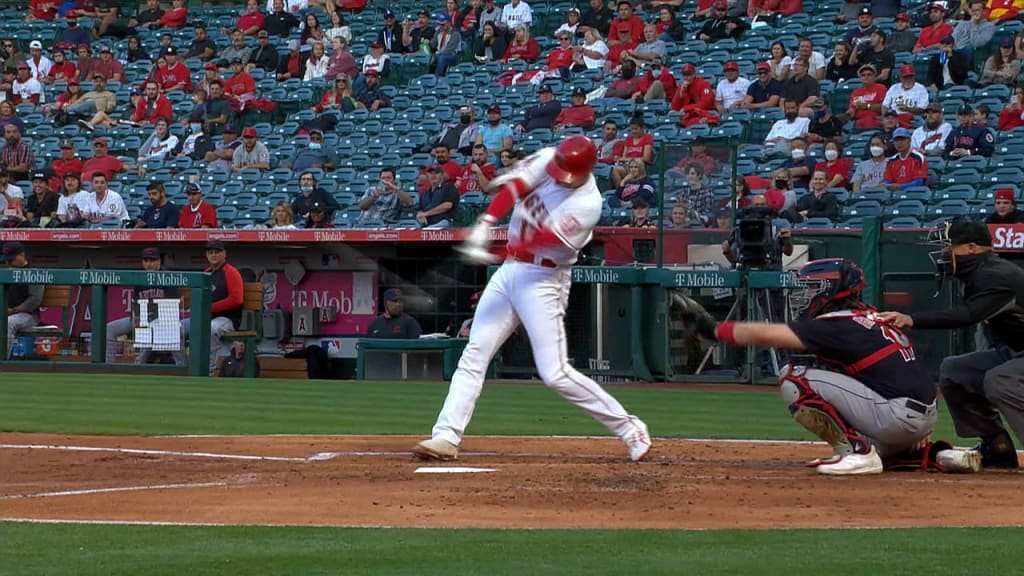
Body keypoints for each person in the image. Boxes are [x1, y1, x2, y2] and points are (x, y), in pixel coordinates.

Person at [413, 135, 652, 463]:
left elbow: (543, 240)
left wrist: (494, 251)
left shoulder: (587, 204)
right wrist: (486, 222)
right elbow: (514, 188)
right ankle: (446, 436)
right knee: (475, 352)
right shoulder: (550, 157)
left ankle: (630, 427)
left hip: (544, 279)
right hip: (512, 270)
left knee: (554, 372)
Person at [677, 258, 980, 475]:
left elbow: (768, 334)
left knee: (794, 378)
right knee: (837, 382)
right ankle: (937, 455)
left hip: (897, 415)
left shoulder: (835, 323)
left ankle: (858, 453)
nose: (805, 294)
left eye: (813, 287)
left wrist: (714, 330)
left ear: (833, 291)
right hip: (920, 416)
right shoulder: (873, 316)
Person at [879, 218, 1024, 469]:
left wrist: (911, 319)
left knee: (1000, 380)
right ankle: (997, 447)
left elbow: (967, 315)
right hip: (1015, 352)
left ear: (971, 248)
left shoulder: (996, 274)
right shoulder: (981, 273)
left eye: (949, 246)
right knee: (955, 370)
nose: (943, 254)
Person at [105, 247, 185, 365]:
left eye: (152, 261)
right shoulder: (140, 278)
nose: (149, 264)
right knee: (110, 329)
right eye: (146, 261)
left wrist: (147, 318)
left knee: (155, 330)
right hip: (143, 317)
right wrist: (136, 316)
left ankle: (181, 367)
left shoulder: (168, 277)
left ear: (159, 262)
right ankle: (109, 367)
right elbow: (136, 302)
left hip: (164, 320)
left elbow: (171, 307)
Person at [200, 239, 244, 375]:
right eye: (210, 252)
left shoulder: (231, 272)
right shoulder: (206, 272)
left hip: (228, 319)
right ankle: (183, 367)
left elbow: (237, 300)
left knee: (210, 329)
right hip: (206, 317)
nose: (213, 255)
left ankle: (209, 372)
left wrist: (210, 308)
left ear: (224, 254)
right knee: (178, 329)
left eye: (217, 252)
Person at [2, 242, 44, 359]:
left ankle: (2, 361)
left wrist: (12, 310)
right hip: (7, 313)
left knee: (8, 322)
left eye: (11, 259)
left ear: (22, 255)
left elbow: (34, 301)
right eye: (7, 259)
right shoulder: (6, 273)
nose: (8, 262)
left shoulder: (34, 272)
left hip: (28, 316)